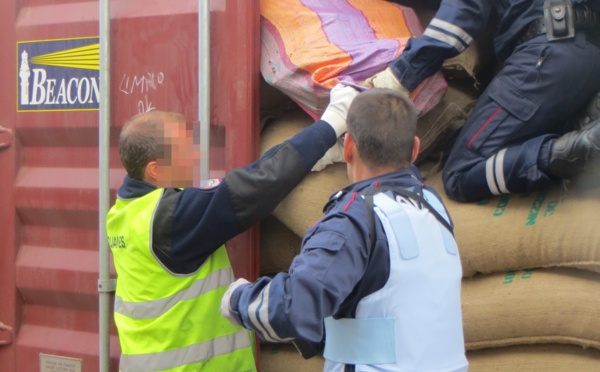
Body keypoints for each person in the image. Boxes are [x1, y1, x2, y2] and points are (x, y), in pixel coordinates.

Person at [105, 83, 359, 372]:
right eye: (185, 150)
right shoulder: (172, 218)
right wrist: (332, 123)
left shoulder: (126, 211)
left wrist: (317, 156)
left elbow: (245, 181)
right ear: (155, 170)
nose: (196, 157)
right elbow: (258, 185)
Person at [221, 88, 468, 372]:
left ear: (348, 146)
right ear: (414, 149)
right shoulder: (434, 207)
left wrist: (239, 299)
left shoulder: (356, 217)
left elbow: (295, 308)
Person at [366, 0, 600, 202]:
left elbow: (464, 12)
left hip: (547, 54)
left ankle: (581, 149)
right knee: (463, 145)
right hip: (588, 59)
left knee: (460, 173)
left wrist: (401, 74)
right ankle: (580, 121)